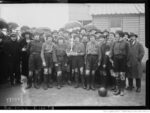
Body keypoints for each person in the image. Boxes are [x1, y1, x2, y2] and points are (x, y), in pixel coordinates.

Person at [111, 31, 130, 96]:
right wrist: (112, 59)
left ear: (121, 36)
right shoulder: (114, 43)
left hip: (123, 60)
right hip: (116, 59)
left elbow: (128, 53)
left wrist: (126, 61)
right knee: (117, 75)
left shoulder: (126, 43)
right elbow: (112, 52)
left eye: (117, 35)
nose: (116, 36)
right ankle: (118, 89)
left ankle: (122, 90)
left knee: (122, 75)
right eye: (116, 35)